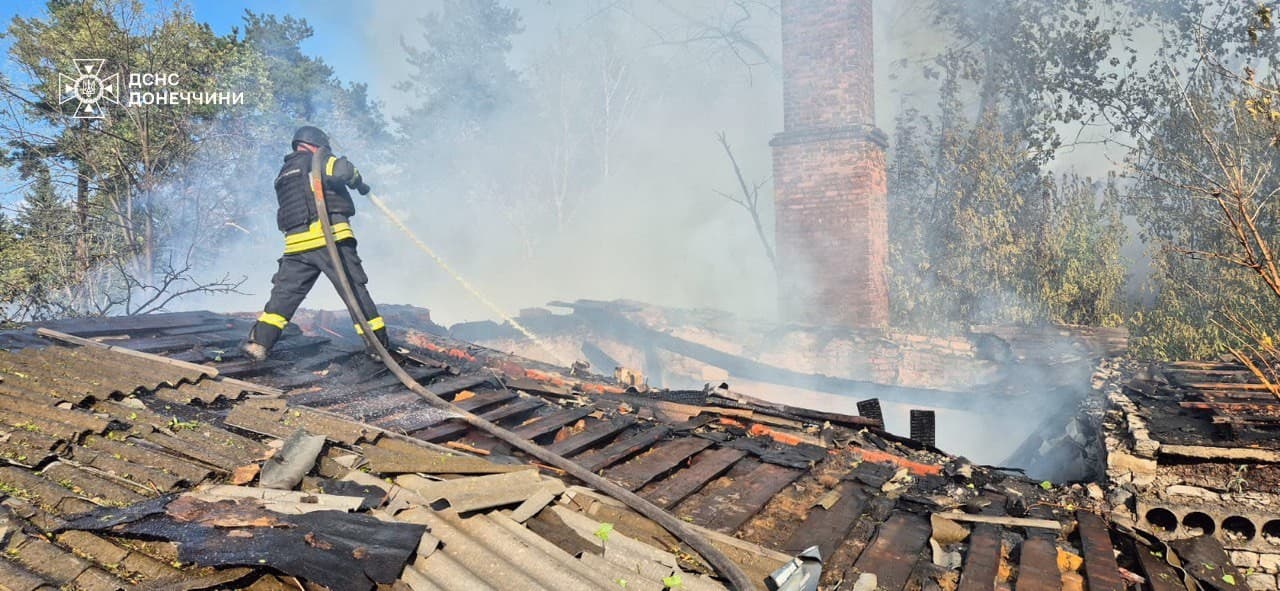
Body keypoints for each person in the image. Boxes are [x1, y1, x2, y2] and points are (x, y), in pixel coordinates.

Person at [241, 125, 389, 361]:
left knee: (284, 296)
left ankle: (259, 344)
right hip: (331, 239)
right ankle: (379, 348)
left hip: (296, 246)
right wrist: (359, 181)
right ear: (318, 145)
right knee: (354, 291)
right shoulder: (318, 160)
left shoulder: (284, 172)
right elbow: (344, 171)